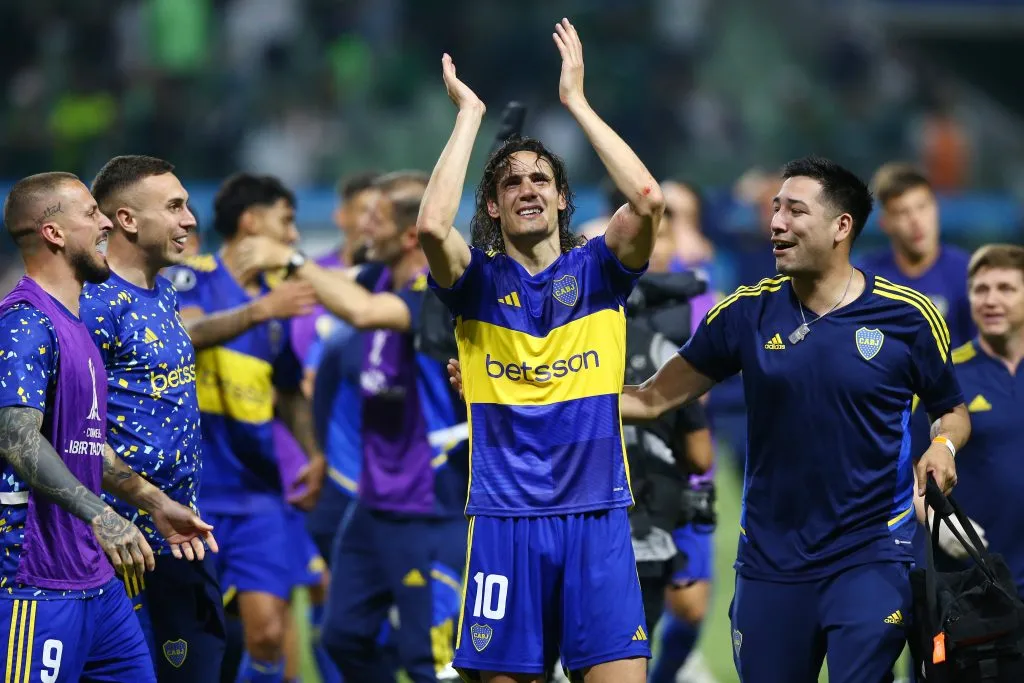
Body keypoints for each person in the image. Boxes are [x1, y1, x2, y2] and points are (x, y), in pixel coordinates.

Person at [613, 155, 971, 682]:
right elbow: (648, 398)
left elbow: (951, 410)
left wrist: (944, 446)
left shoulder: (907, 316)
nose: (776, 222)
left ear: (841, 226)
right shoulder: (744, 313)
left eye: (795, 210)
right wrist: (531, 390)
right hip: (769, 561)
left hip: (871, 553)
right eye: (775, 209)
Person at [418, 17, 664, 683]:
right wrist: (469, 115)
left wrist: (577, 104)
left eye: (539, 179)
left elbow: (646, 198)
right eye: (511, 183)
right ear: (494, 208)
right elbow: (430, 226)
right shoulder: (475, 286)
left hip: (597, 515)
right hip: (505, 519)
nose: (527, 188)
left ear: (561, 198)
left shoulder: (600, 273)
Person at [0, 172, 204, 681]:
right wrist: (103, 517)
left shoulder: (73, 324)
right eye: (92, 213)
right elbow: (15, 437)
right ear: (53, 233)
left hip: (96, 580)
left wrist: (154, 503)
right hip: (37, 580)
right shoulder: (24, 322)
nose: (106, 223)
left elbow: (85, 446)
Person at [170, 172, 326, 683]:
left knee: (267, 636)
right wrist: (260, 310)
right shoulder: (192, 274)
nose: (295, 236)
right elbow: (186, 333)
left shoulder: (277, 306)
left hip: (259, 492)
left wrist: (312, 453)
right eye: (287, 221)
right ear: (251, 221)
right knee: (190, 643)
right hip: (193, 493)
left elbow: (286, 392)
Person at [81, 155, 225, 680]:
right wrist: (142, 504)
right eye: (175, 206)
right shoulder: (92, 305)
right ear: (126, 220)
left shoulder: (162, 290)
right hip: (122, 549)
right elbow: (69, 433)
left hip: (178, 535)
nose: (190, 219)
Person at [924, 244, 1024, 597]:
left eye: (1006, 289)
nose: (990, 300)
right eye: (980, 290)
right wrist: (936, 517)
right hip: (972, 586)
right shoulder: (943, 375)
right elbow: (901, 467)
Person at [859, 162, 973, 346]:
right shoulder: (866, 277)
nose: (916, 221)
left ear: (937, 208)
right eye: (903, 212)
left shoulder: (966, 272)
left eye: (922, 207)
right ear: (885, 223)